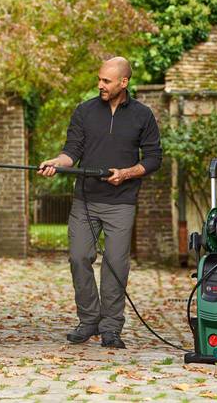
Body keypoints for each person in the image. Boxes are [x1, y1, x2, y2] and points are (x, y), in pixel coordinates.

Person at [38, 56, 162, 349]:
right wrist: (58, 162)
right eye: (99, 79)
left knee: (115, 266)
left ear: (124, 82)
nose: (100, 85)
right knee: (79, 257)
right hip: (86, 200)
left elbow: (154, 159)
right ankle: (89, 319)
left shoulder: (143, 116)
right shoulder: (84, 111)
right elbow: (72, 150)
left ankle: (110, 328)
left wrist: (127, 173)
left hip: (121, 202)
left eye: (106, 81)